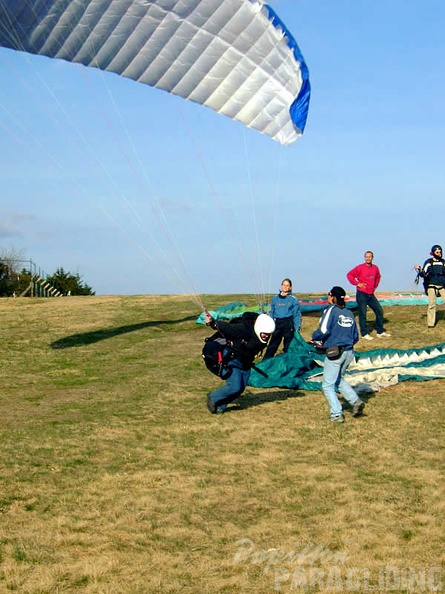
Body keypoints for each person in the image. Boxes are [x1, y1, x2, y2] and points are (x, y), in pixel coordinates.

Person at [311, 286, 365, 423]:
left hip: (336, 353)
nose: (328, 297)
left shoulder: (331, 310)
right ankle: (355, 401)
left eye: (329, 295)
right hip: (349, 352)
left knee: (327, 384)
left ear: (333, 297)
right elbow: (355, 336)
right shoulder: (349, 313)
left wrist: (315, 337)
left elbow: (323, 329)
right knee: (338, 379)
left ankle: (336, 414)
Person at [205, 312, 275, 414]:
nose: (266, 336)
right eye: (264, 333)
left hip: (246, 363)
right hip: (232, 359)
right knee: (235, 386)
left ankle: (221, 404)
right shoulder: (245, 329)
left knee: (240, 389)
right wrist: (212, 323)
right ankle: (213, 397)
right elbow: (227, 328)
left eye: (269, 334)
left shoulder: (265, 335)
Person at [346, 250, 391, 340]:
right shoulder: (360, 268)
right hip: (362, 293)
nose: (368, 258)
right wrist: (357, 283)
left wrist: (375, 286)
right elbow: (349, 275)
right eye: (366, 257)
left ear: (372, 258)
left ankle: (380, 331)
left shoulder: (375, 268)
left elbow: (378, 277)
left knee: (379, 311)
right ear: (364, 258)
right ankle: (364, 333)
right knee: (363, 313)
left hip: (371, 294)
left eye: (369, 257)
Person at [263, 278, 302, 359]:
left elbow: (296, 314)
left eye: (287, 285)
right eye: (283, 285)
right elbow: (271, 311)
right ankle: (265, 362)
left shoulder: (293, 299)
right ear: (281, 286)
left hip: (288, 323)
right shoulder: (275, 298)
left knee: (288, 346)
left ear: (290, 287)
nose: (285, 287)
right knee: (273, 345)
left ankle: (287, 362)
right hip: (277, 323)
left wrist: (297, 328)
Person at [414, 244, 445, 328]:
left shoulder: (443, 262)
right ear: (433, 253)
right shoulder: (429, 262)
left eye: (440, 252)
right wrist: (419, 269)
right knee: (432, 305)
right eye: (437, 252)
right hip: (432, 286)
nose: (439, 253)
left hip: (442, 286)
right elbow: (423, 273)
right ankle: (431, 324)